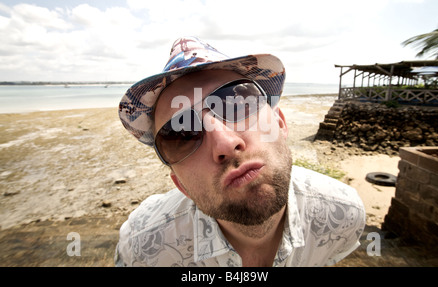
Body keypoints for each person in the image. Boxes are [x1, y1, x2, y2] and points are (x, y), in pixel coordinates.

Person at [115, 37, 365, 267]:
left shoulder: (343, 217)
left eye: (237, 103)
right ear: (179, 183)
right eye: (181, 134)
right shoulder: (143, 251)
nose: (224, 143)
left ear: (280, 123)